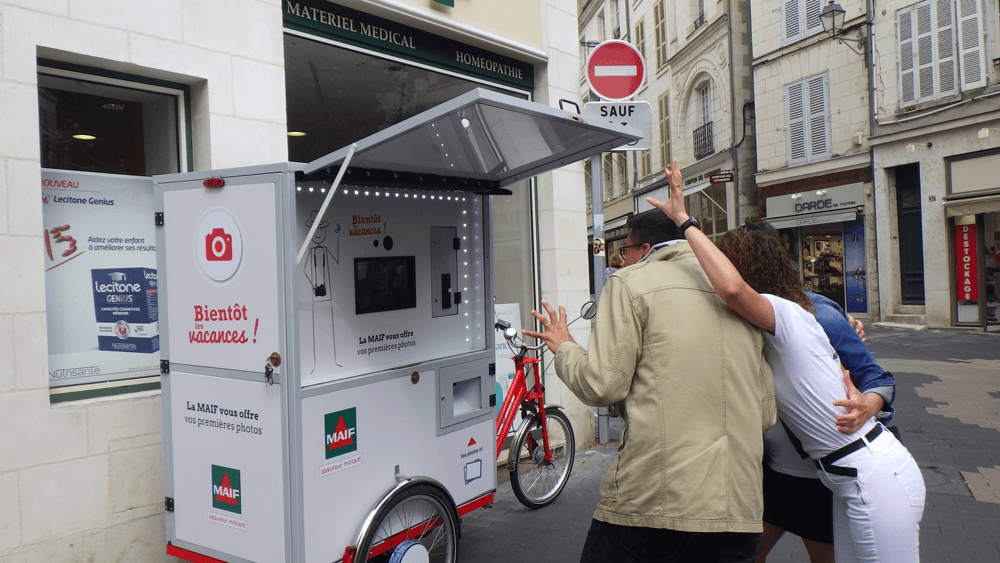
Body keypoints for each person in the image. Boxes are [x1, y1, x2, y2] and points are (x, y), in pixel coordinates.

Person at [648, 161, 925, 563]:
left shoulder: (788, 315)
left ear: (745, 269)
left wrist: (685, 221)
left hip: (870, 473)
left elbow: (730, 288)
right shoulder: (772, 321)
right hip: (843, 475)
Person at [523, 208, 776, 563]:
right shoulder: (738, 290)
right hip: (738, 508)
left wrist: (564, 346)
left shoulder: (630, 283)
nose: (622, 261)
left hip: (653, 502)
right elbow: (765, 412)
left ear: (643, 248)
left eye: (624, 252)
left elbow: (602, 385)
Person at [737, 220, 897, 563]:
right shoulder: (742, 317)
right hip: (772, 472)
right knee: (747, 555)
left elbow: (877, 377)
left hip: (821, 475)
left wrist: (866, 405)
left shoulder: (819, 314)